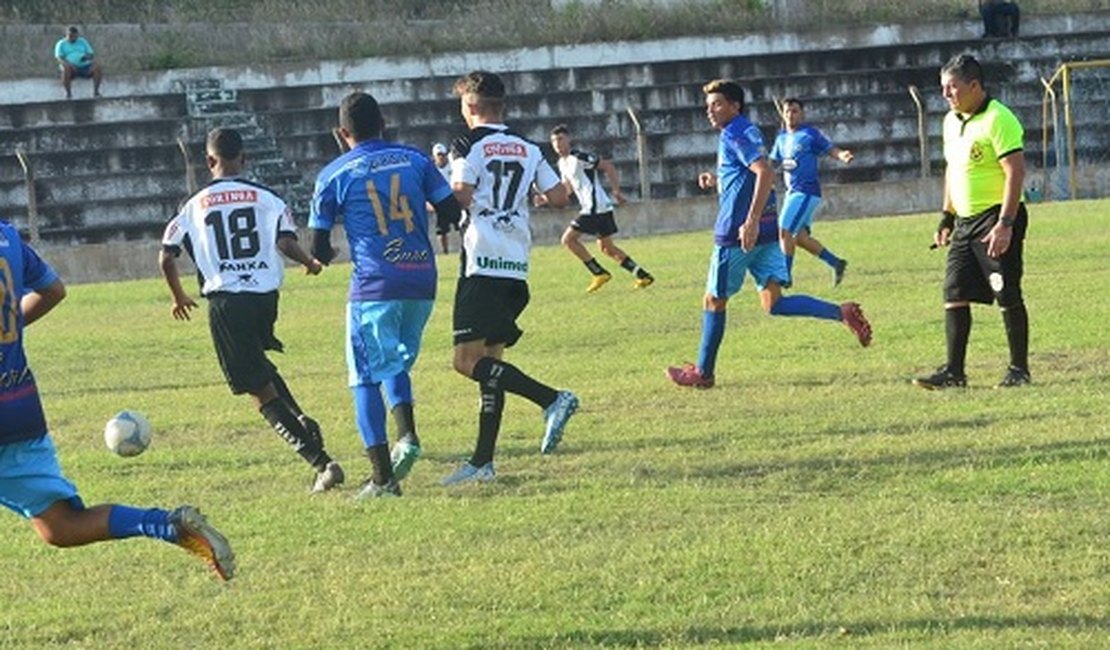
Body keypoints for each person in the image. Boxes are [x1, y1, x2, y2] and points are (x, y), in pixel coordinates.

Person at [1, 219, 234, 581]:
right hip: (18, 409)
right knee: (61, 526)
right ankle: (167, 525)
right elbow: (53, 290)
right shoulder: (7, 236)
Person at [159, 128, 345, 493]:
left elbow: (167, 255)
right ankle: (299, 416)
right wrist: (309, 262)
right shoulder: (268, 198)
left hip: (227, 300)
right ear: (244, 159)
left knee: (257, 389)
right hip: (265, 298)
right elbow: (286, 243)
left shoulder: (193, 204)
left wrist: (179, 296)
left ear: (210, 161)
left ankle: (322, 464)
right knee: (259, 364)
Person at [666, 80, 873, 389]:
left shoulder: (734, 132)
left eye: (717, 104)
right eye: (708, 105)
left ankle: (703, 373)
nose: (710, 111)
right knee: (774, 303)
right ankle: (841, 312)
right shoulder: (745, 130)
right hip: (766, 230)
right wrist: (717, 180)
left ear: (735, 106)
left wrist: (748, 221)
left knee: (713, 300)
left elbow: (765, 172)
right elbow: (746, 175)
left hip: (739, 234)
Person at [309, 94, 461, 498]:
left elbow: (319, 246)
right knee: (391, 360)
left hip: (375, 285)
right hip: (422, 280)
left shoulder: (335, 173)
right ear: (384, 123)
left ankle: (382, 478)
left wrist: (326, 255)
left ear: (343, 134)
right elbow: (451, 213)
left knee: (363, 374)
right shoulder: (415, 159)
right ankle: (407, 436)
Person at [440, 70, 579, 486]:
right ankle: (483, 461)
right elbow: (558, 197)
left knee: (466, 362)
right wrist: (522, 194)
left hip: (482, 259)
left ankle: (552, 398)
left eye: (463, 106)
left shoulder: (468, 143)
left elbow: (462, 196)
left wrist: (434, 203)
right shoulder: (528, 146)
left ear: (473, 106)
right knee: (491, 364)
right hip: (516, 264)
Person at [914, 54, 1030, 390]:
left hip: (996, 217)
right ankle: (954, 372)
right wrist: (946, 215)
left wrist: (1005, 223)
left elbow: (1015, 172)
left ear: (974, 85)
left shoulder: (998, 118)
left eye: (952, 87)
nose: (946, 94)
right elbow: (952, 169)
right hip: (964, 221)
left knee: (1005, 290)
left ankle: (1019, 369)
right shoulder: (951, 121)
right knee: (954, 291)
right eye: (943, 88)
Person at [544, 124, 654, 292]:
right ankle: (643, 275)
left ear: (568, 140)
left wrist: (616, 191)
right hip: (600, 208)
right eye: (554, 141)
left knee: (568, 240)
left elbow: (607, 166)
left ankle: (599, 273)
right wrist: (547, 198)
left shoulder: (579, 157)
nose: (557, 144)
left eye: (560, 139)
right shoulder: (562, 163)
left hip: (594, 207)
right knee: (606, 248)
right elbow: (568, 187)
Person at [768, 98, 853, 287]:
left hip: (806, 191)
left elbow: (830, 149)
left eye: (795, 111)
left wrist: (842, 155)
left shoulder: (809, 135)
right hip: (792, 192)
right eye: (788, 111)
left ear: (802, 114)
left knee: (784, 231)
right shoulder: (781, 139)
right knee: (799, 238)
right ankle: (836, 263)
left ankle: (784, 276)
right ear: (783, 114)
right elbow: (771, 164)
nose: (791, 115)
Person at [54, 26, 102, 99]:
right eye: (71, 36)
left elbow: (91, 54)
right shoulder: (61, 43)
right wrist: (70, 65)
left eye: (75, 36)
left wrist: (86, 57)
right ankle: (68, 94)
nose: (73, 38)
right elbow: (59, 58)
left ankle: (96, 92)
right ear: (67, 35)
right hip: (70, 67)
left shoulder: (82, 41)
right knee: (65, 68)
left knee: (97, 67)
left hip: (84, 65)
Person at [430, 142, 456, 255]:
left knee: (461, 226)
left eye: (443, 155)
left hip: (455, 199)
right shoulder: (432, 170)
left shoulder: (453, 166)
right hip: (440, 202)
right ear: (434, 157)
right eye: (438, 155)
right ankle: (445, 253)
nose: (441, 157)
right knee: (441, 230)